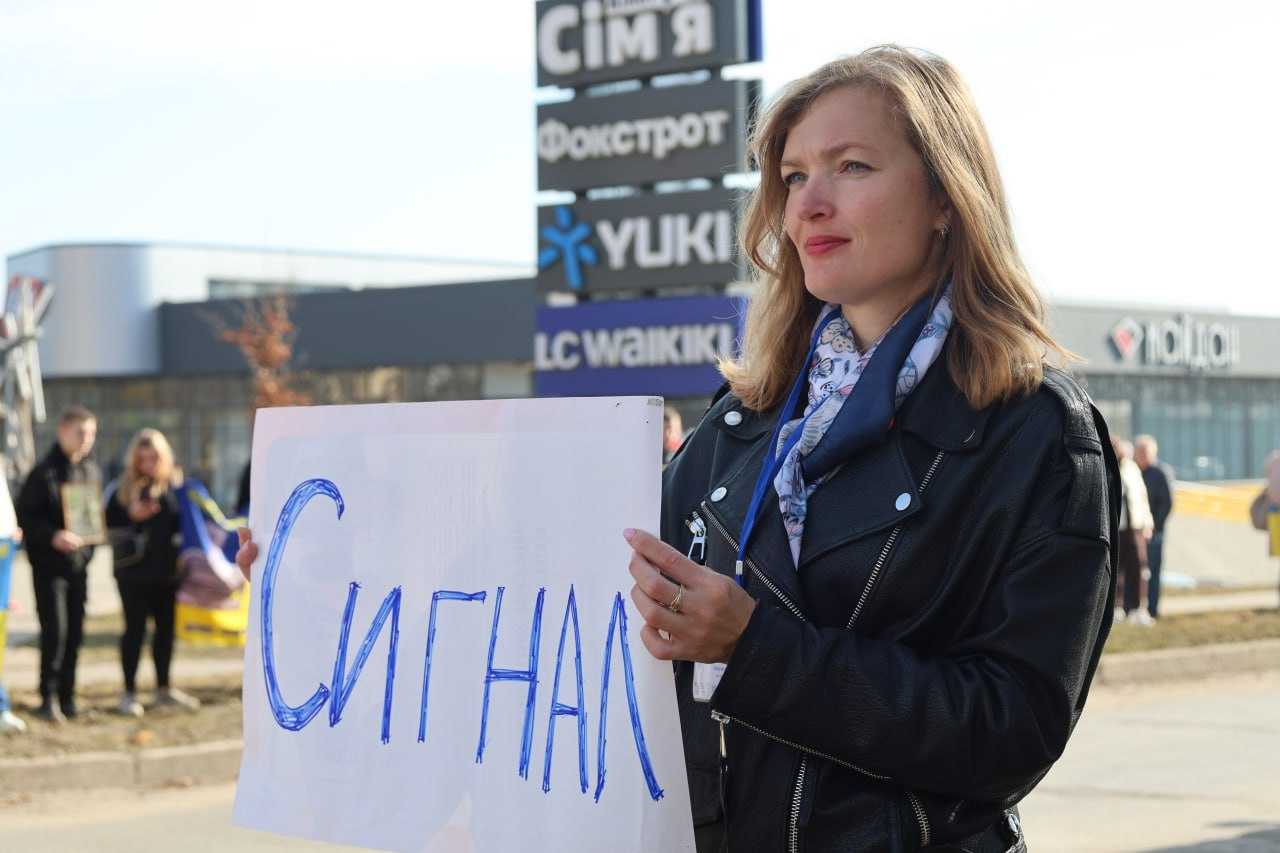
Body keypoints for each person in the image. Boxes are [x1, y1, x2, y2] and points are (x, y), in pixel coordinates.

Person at [621, 46, 1119, 851]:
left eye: (851, 166)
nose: (810, 204)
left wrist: (756, 650)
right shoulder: (742, 419)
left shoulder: (1037, 431)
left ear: (945, 197)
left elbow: (1014, 729)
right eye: (793, 177)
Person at [105, 429, 201, 715]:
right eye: (141, 458)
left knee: (165, 632)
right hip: (132, 574)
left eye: (153, 457)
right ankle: (128, 692)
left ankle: (163, 689)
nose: (147, 463)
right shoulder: (121, 489)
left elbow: (186, 524)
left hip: (167, 573)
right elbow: (107, 526)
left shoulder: (175, 486)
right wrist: (132, 515)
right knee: (134, 631)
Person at [16, 405, 101, 722]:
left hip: (78, 567)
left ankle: (68, 697)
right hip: (50, 568)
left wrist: (88, 547)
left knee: (76, 633)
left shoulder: (90, 471)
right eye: (81, 432)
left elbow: (94, 518)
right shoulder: (43, 473)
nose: (86, 439)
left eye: (91, 433)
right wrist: (53, 536)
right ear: (63, 431)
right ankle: (48, 697)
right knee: (56, 632)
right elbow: (26, 517)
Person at [1113, 438, 1155, 625]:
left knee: (1139, 568)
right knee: (1116, 570)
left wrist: (1148, 522)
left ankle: (1138, 608)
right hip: (1117, 528)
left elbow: (1142, 497)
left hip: (1136, 527)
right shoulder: (1108, 467)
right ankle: (1116, 608)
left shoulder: (1132, 468)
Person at [1134, 435, 1174, 619]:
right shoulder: (1132, 471)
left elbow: (1167, 503)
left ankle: (1152, 609)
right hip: (1135, 530)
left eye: (1144, 452)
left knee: (1153, 571)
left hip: (1154, 532)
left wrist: (1154, 527)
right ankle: (1134, 607)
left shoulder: (1161, 473)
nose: (1141, 456)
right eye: (1139, 452)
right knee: (1136, 571)